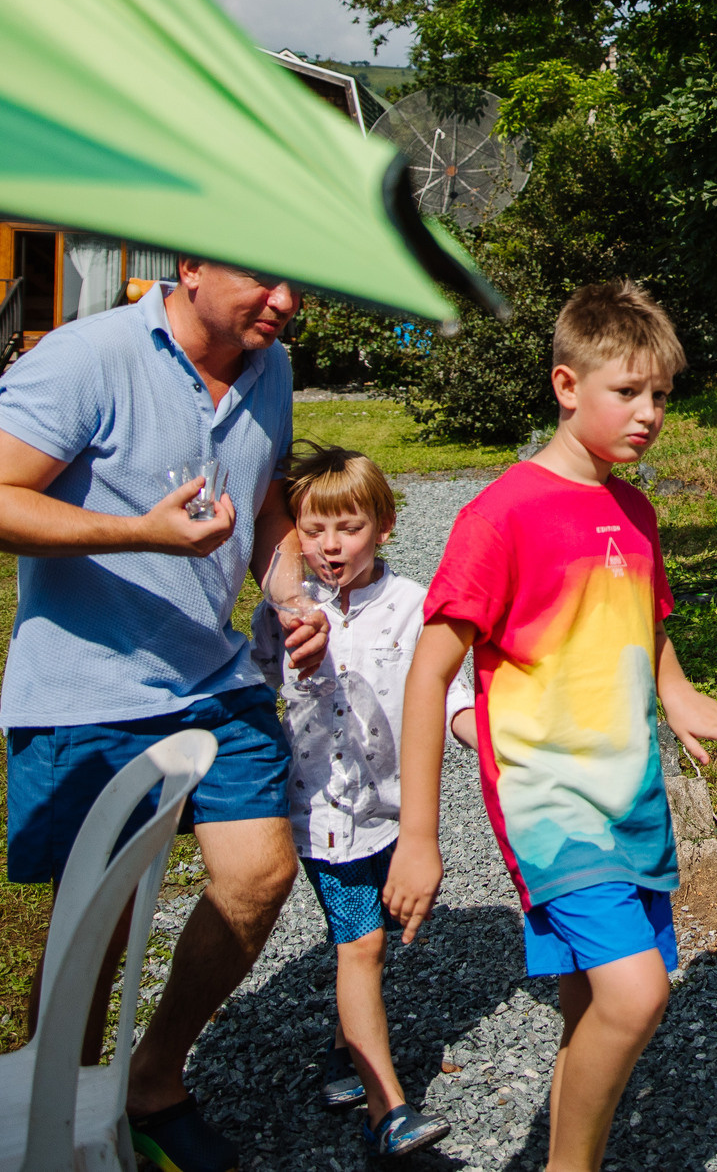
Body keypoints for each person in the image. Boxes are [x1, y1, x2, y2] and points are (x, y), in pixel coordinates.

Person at [383, 280, 717, 1172]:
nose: (650, 414)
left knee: (590, 1006)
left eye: (661, 395)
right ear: (565, 384)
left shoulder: (636, 512)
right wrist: (418, 835)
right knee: (636, 996)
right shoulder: (501, 513)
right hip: (552, 804)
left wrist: (682, 694)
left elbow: (647, 626)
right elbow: (429, 671)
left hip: (630, 798)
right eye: (627, 391)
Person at [0, 261, 316, 1172]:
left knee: (262, 872)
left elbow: (267, 505)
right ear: (189, 263)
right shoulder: (83, 358)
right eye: (265, 282)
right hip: (90, 689)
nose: (285, 304)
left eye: (296, 284)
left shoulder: (269, 366)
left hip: (210, 676)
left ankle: (153, 1078)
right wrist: (142, 532)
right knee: (98, 927)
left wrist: (289, 594)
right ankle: (57, 1115)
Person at [247, 442, 472, 1157]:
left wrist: (490, 740)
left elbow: (449, 692)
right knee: (362, 943)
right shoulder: (283, 611)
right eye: (313, 530)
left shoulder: (411, 605)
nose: (330, 545)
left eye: (347, 527)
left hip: (392, 811)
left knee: (370, 940)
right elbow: (255, 692)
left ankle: (347, 1053)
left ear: (384, 525)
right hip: (319, 815)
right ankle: (388, 1107)